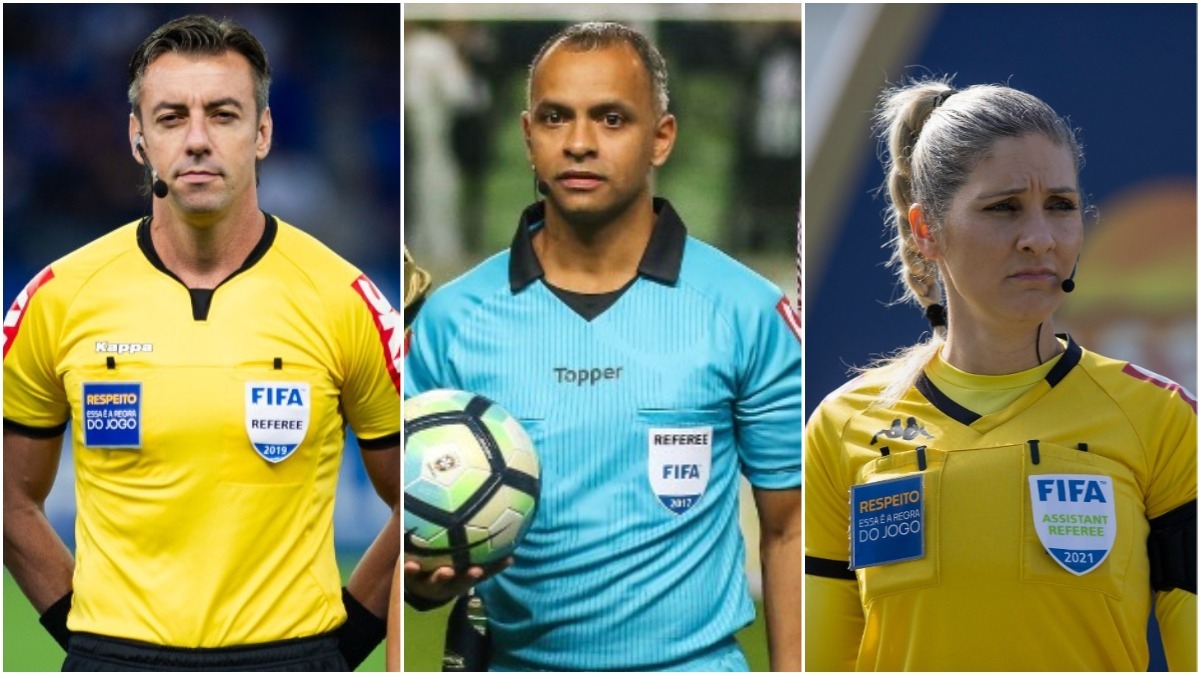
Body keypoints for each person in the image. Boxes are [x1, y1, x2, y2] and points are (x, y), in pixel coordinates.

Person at [3, 15, 400, 671]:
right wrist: (91, 643)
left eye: (222, 114)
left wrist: (340, 646)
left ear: (263, 132)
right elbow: (10, 501)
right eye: (169, 117)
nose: (196, 140)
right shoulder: (58, 297)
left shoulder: (344, 298)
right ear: (137, 138)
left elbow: (411, 501)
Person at [404, 21, 802, 672]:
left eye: (611, 118)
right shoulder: (452, 319)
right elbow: (416, 542)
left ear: (661, 138)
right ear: (528, 137)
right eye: (557, 118)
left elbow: (789, 527)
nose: (581, 143)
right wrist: (424, 578)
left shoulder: (746, 311)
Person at [803, 78, 1197, 671]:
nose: (1040, 238)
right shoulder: (842, 427)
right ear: (925, 229)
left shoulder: (1163, 419)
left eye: (1060, 206)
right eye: (1004, 207)